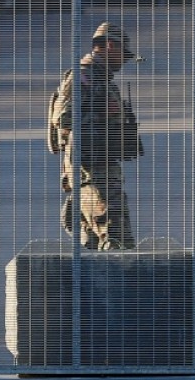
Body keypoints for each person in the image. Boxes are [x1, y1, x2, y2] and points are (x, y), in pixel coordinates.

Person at [49, 22, 143, 250]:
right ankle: (115, 283)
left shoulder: (100, 78)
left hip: (100, 164)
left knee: (104, 237)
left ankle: (97, 283)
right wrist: (99, 110)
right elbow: (62, 119)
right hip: (90, 166)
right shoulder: (83, 76)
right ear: (110, 46)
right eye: (122, 54)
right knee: (115, 236)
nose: (123, 61)